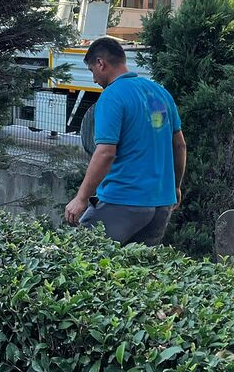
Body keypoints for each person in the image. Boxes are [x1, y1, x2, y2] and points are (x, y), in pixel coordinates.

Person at [63, 37, 186, 246]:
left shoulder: (112, 96)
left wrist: (81, 199)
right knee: (136, 271)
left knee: (81, 255)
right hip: (161, 203)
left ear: (101, 63)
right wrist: (175, 187)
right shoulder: (160, 93)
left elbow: (105, 153)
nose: (94, 79)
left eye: (92, 71)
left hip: (123, 200)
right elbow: (180, 145)